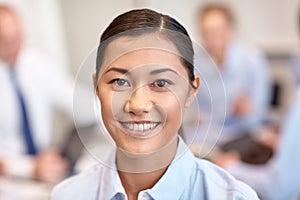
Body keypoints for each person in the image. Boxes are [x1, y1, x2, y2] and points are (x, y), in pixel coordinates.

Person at [51, 9, 259, 199]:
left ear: (191, 91)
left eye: (160, 83)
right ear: (97, 87)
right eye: (120, 82)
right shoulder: (66, 195)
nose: (138, 104)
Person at [0, 4, 72, 183]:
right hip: (10, 178)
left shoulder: (35, 63)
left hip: (44, 168)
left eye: (18, 37)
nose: (15, 47)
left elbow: (76, 100)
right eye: (6, 40)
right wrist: (30, 168)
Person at [193, 4, 271, 143]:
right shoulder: (196, 63)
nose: (211, 38)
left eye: (217, 31)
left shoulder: (252, 60)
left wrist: (245, 111)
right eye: (206, 32)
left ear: (230, 30)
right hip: (208, 137)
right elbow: (196, 113)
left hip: (244, 135)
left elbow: (257, 115)